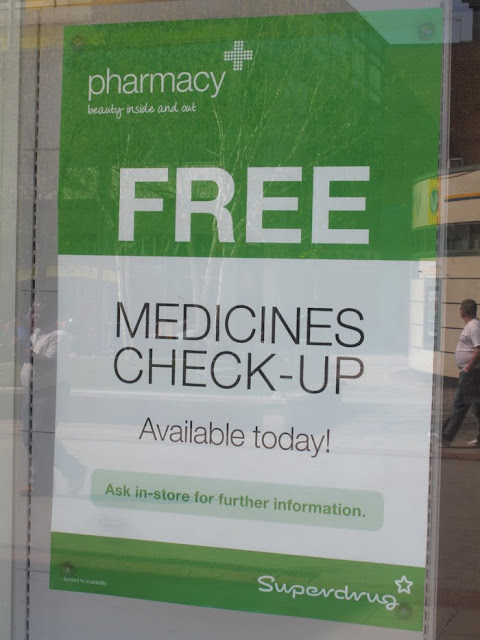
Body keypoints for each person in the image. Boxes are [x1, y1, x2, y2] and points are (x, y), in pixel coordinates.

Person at [442, 299, 480, 447]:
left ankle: (445, 437)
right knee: (477, 406)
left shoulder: (474, 327)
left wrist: (468, 367)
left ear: (462, 311)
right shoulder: (473, 326)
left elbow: (478, 349)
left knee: (460, 405)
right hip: (473, 373)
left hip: (471, 373)